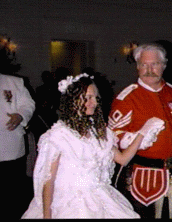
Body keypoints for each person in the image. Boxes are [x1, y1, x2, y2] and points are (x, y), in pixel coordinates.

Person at [22, 73, 163, 219]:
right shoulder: (59, 136)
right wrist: (47, 216)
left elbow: (123, 159)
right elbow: (48, 180)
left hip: (100, 198)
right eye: (88, 97)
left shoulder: (100, 133)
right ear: (73, 100)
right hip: (68, 203)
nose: (93, 102)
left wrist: (142, 134)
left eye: (95, 98)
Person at [108, 43, 172, 218]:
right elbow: (113, 138)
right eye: (144, 65)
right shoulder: (127, 98)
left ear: (164, 65)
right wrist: (139, 138)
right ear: (137, 67)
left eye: (154, 64)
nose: (149, 69)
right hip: (143, 181)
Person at [0, 35, 36, 219]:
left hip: (11, 151)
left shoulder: (13, 82)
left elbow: (28, 104)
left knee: (11, 198)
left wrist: (20, 115)